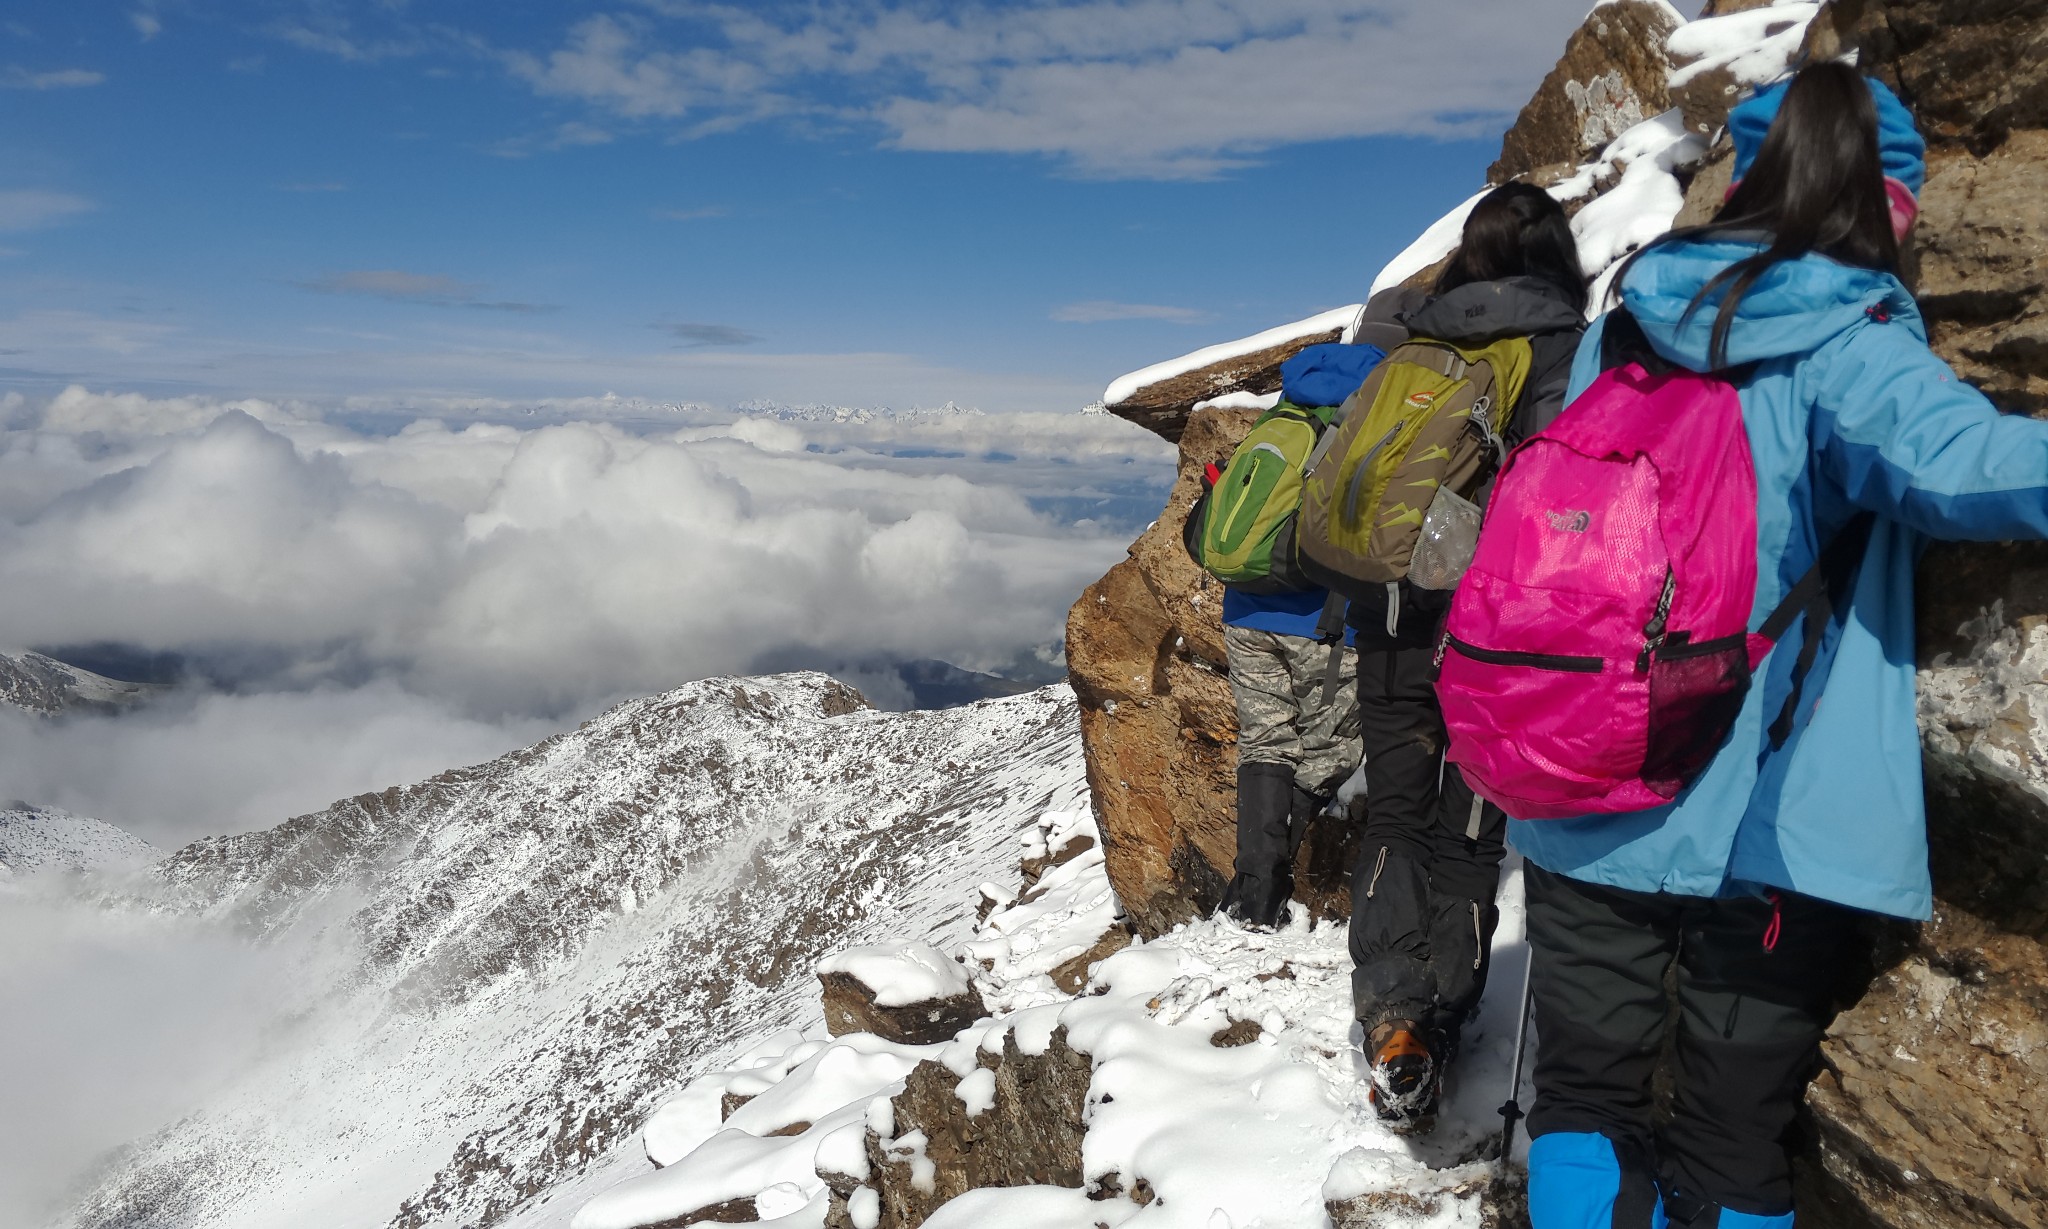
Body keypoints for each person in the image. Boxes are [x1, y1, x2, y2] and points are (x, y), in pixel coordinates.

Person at [1511, 63, 2048, 1228]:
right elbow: (1970, 468)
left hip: (1582, 772)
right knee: (1728, 1135)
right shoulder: (1847, 341)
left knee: (1583, 1100)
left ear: (1741, 184)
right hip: (1769, 812)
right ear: (1891, 208)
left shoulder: (1630, 325)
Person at [1347, 182, 1589, 1125]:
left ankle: (1394, 1016)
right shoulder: (1565, 346)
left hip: (1391, 615)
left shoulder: (1411, 339)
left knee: (1396, 815)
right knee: (1469, 835)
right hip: (1496, 638)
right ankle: (1439, 1015)